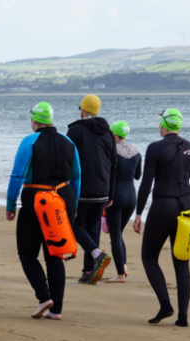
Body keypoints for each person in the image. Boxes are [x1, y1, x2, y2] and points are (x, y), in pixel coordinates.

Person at [5, 102, 81, 320]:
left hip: (36, 198)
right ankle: (56, 310)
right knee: (56, 253)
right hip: (63, 198)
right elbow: (76, 177)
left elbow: (17, 175)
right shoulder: (68, 142)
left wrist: (11, 205)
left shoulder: (30, 141)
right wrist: (73, 205)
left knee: (27, 253)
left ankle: (44, 296)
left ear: (34, 120)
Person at [133, 108, 190, 327]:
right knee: (182, 261)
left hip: (163, 204)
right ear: (178, 125)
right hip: (187, 205)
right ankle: (183, 317)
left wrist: (139, 213)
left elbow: (146, 184)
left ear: (164, 125)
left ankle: (165, 304)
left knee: (149, 257)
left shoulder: (154, 147)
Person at [67, 95, 117, 284]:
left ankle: (97, 255)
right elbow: (114, 164)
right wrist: (110, 193)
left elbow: (67, 160)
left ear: (83, 110)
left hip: (82, 189)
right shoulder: (108, 133)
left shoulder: (75, 130)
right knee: (93, 229)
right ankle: (89, 271)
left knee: (77, 226)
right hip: (103, 188)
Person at [104, 121, 140, 283]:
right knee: (118, 234)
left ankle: (120, 274)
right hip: (131, 197)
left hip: (115, 197)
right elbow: (138, 175)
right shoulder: (136, 152)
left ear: (115, 135)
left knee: (115, 235)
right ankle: (123, 269)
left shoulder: (109, 151)